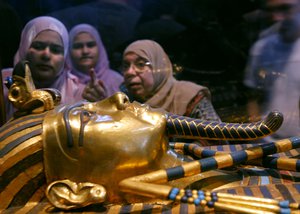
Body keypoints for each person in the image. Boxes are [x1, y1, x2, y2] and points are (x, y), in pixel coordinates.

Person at [1, 16, 85, 123]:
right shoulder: (3, 83)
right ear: (24, 47)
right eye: (38, 46)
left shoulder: (79, 93)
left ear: (65, 56)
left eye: (55, 50)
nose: (46, 55)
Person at [244, 10, 300, 140]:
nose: (276, 17)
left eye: (284, 8)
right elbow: (252, 96)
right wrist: (257, 136)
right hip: (268, 140)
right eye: (271, 10)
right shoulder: (261, 49)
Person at [68, 23, 123, 101]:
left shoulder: (117, 81)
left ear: (100, 48)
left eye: (90, 45)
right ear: (69, 51)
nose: (85, 51)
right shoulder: (63, 83)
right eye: (78, 46)